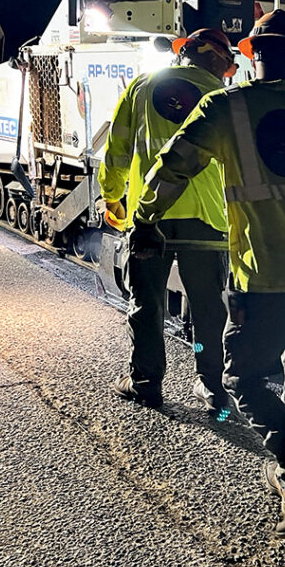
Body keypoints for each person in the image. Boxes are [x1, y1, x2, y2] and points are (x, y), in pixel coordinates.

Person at [134, 10, 285, 538]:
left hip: (258, 277)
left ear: (250, 55)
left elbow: (172, 167)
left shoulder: (226, 108)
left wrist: (146, 217)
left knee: (241, 376)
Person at [98, 28, 237, 413]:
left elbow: (118, 150)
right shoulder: (226, 100)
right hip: (207, 218)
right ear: (216, 59)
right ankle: (211, 387)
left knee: (147, 304)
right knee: (209, 308)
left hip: (148, 216)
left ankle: (145, 382)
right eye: (229, 62)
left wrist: (113, 196)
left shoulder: (143, 87)